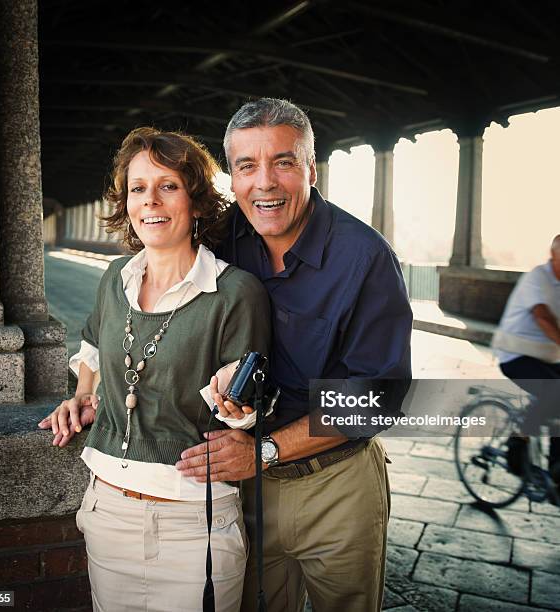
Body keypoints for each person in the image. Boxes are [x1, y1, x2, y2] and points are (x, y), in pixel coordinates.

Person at [176, 98, 412, 612]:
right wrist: (91, 387)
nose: (265, 182)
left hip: (337, 484)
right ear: (231, 179)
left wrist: (265, 450)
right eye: (246, 166)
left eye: (283, 162)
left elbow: (379, 396)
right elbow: (148, 298)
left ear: (310, 167)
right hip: (243, 492)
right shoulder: (218, 243)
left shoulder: (365, 257)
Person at [38, 127, 271, 612]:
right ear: (125, 202)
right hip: (106, 512)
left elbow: (243, 414)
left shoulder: (236, 293)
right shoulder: (113, 279)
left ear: (197, 201)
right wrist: (83, 393)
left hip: (194, 525)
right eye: (138, 188)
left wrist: (238, 405)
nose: (151, 201)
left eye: (168, 186)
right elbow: (92, 342)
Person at [492, 234, 560, 483]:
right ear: (553, 255)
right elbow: (543, 317)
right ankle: (517, 442)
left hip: (547, 358)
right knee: (554, 391)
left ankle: (556, 468)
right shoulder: (537, 278)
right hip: (516, 354)